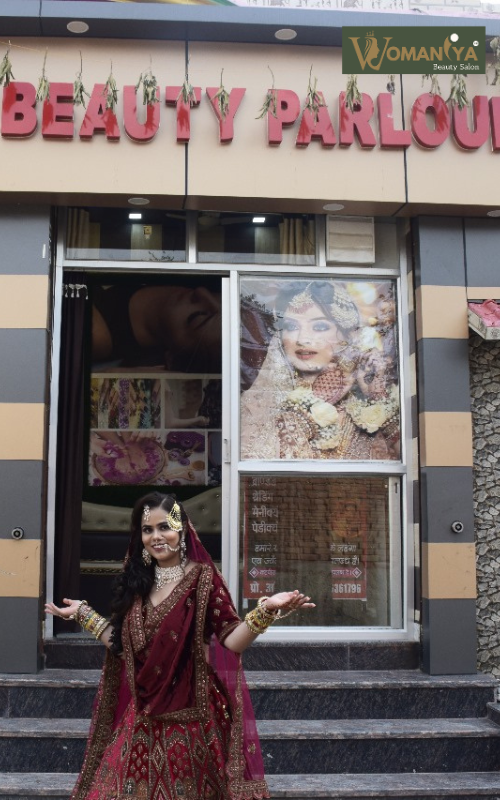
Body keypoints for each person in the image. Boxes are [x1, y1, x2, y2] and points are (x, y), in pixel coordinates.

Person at [45, 493, 314, 800]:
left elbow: (231, 639)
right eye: (147, 530)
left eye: (165, 527)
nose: (156, 537)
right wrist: (84, 613)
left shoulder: (202, 579)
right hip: (142, 718)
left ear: (182, 530)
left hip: (192, 720)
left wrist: (267, 610)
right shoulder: (136, 583)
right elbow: (124, 648)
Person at [240, 280, 399, 460]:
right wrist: (307, 410)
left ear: (346, 336)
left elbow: (413, 462)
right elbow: (251, 462)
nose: (303, 339)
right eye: (291, 327)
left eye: (320, 327)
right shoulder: (261, 402)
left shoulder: (364, 403)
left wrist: (379, 398)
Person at [92, 283, 222, 372]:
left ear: (172, 358)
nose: (201, 292)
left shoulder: (98, 336)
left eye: (197, 316)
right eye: (217, 295)